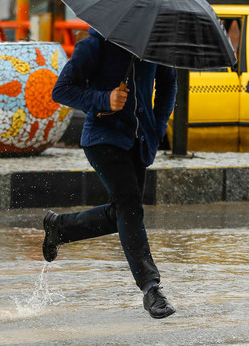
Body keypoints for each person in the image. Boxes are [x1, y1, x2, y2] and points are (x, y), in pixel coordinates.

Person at [45, 27, 177, 319]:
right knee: (130, 206)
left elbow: (168, 84)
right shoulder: (95, 45)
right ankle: (150, 289)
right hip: (103, 140)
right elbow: (62, 89)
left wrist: (157, 126)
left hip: (139, 142)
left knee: (124, 212)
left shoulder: (154, 44)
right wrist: (105, 100)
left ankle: (61, 228)